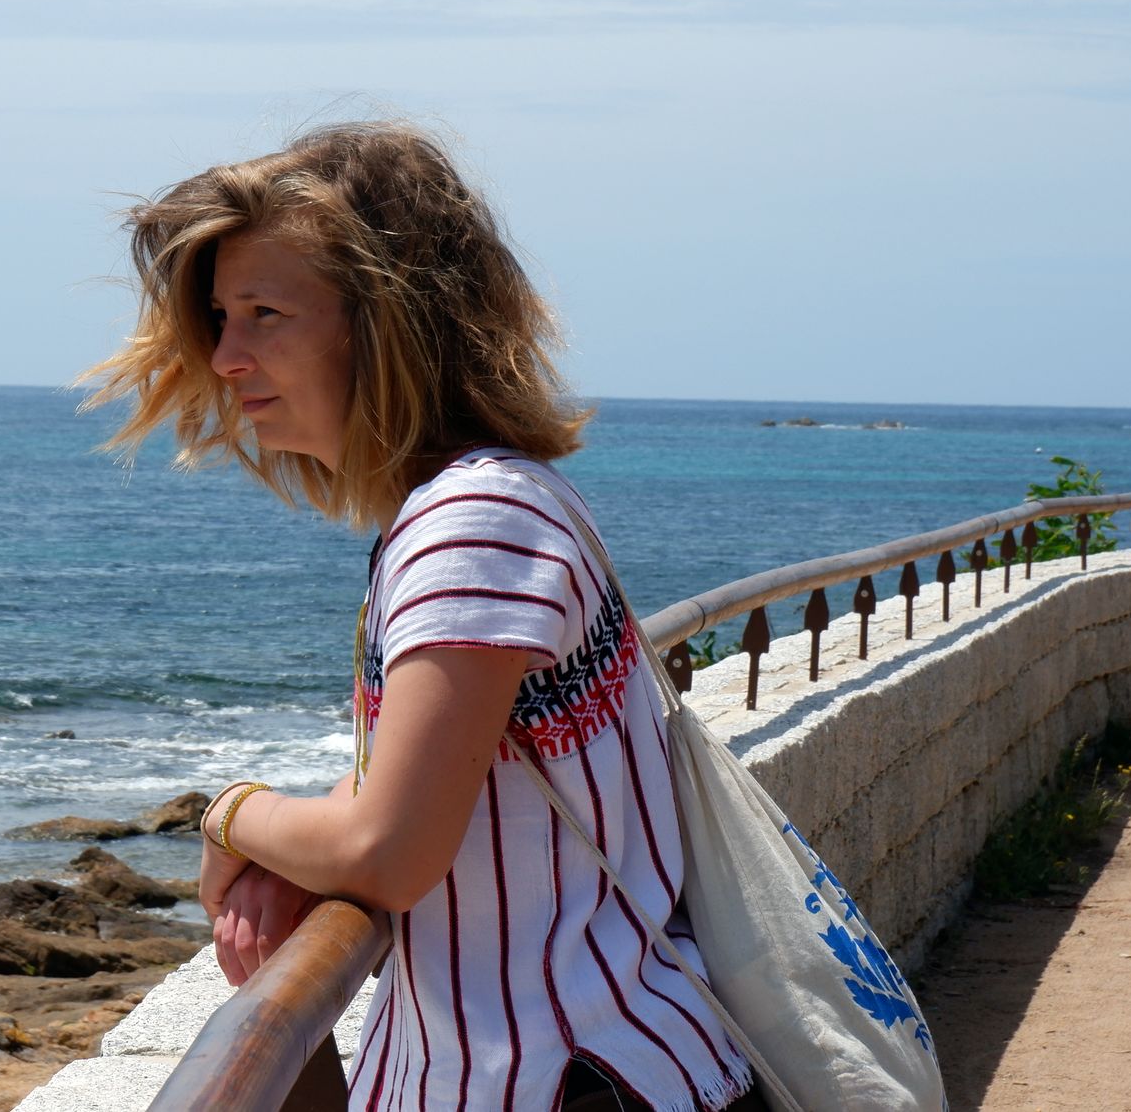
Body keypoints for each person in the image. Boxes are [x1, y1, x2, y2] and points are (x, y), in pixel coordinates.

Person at [82, 121, 759, 1112]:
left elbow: (389, 850)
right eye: (222, 315)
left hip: (559, 1077)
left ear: (390, 323)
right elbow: (458, 766)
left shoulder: (469, 522)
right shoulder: (507, 496)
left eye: (265, 312)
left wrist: (231, 812)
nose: (226, 356)